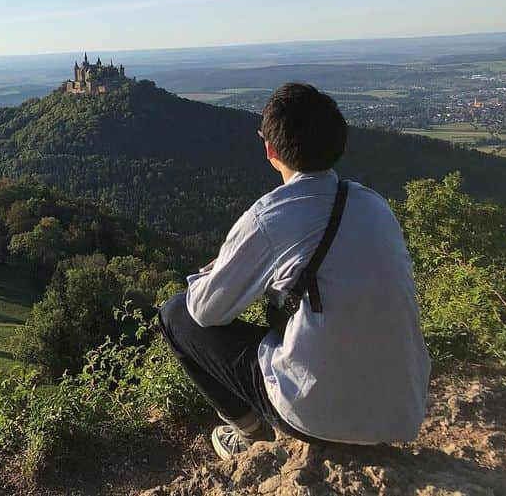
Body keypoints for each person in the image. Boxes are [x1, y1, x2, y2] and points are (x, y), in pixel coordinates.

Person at [158, 82, 430, 460]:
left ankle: (250, 433)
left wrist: (224, 268)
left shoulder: (270, 216)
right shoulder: (374, 205)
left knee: (175, 314)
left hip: (316, 415)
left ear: (269, 148)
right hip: (401, 410)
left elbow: (205, 310)